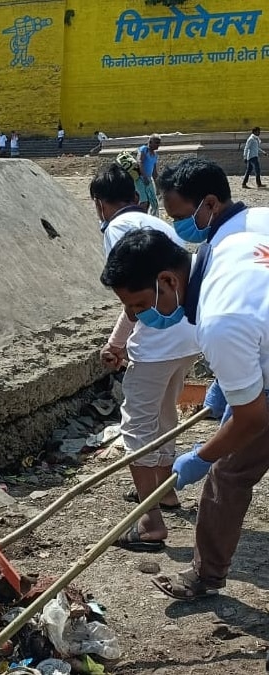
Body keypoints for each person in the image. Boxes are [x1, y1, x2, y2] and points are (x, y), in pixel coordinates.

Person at [100, 224, 269, 601]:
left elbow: (252, 419)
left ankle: (205, 574)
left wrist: (200, 457)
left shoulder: (218, 321)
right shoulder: (228, 246)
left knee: (226, 473)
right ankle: (206, 573)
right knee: (230, 474)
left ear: (168, 281)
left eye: (140, 306)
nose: (137, 317)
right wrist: (230, 382)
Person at [92, 163, 200, 551]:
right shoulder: (155, 223)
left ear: (101, 205)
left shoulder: (118, 233)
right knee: (167, 415)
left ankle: (149, 521)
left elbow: (135, 301)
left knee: (137, 425)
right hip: (187, 336)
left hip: (157, 344)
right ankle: (165, 494)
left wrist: (117, 343)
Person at [136, 134, 162, 216]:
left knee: (153, 202)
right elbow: (140, 161)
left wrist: (158, 186)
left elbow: (154, 172)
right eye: (156, 142)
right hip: (140, 179)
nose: (158, 145)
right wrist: (144, 177)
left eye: (159, 143)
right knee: (144, 201)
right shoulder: (144, 150)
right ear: (150, 142)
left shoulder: (155, 155)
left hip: (148, 179)